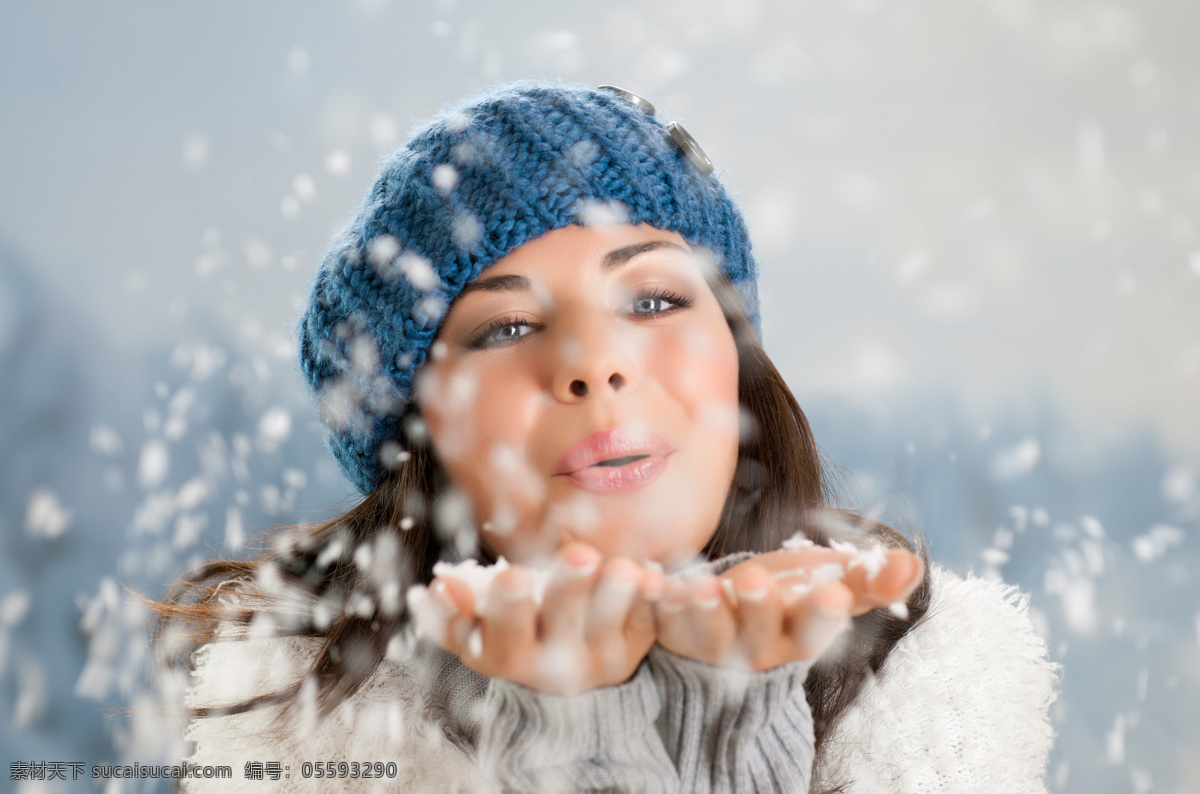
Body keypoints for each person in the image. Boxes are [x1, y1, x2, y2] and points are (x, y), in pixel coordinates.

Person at [160, 82, 1059, 793]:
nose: (594, 364)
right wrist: (584, 744)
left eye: (657, 299)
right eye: (505, 329)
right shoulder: (303, 755)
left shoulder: (937, 705)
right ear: (423, 442)